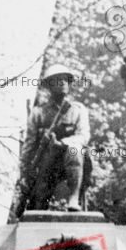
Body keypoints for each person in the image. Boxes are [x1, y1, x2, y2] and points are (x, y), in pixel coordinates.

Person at [18, 63, 91, 213]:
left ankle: (73, 198)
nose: (63, 83)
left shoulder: (78, 110)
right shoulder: (38, 113)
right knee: (36, 208)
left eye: (65, 80)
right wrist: (24, 174)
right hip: (46, 163)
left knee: (74, 150)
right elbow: (29, 146)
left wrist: (62, 143)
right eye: (58, 80)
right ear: (50, 86)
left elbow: (83, 136)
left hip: (72, 161)